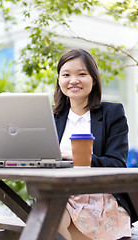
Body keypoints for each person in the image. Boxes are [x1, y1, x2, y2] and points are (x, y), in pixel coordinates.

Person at [53, 49, 138, 240]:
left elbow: (116, 164)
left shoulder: (112, 113)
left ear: (94, 79)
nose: (73, 80)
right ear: (59, 79)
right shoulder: (51, 116)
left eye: (82, 74)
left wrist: (75, 157)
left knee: (49, 228)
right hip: (61, 197)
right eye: (66, 75)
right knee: (50, 220)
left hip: (101, 199)